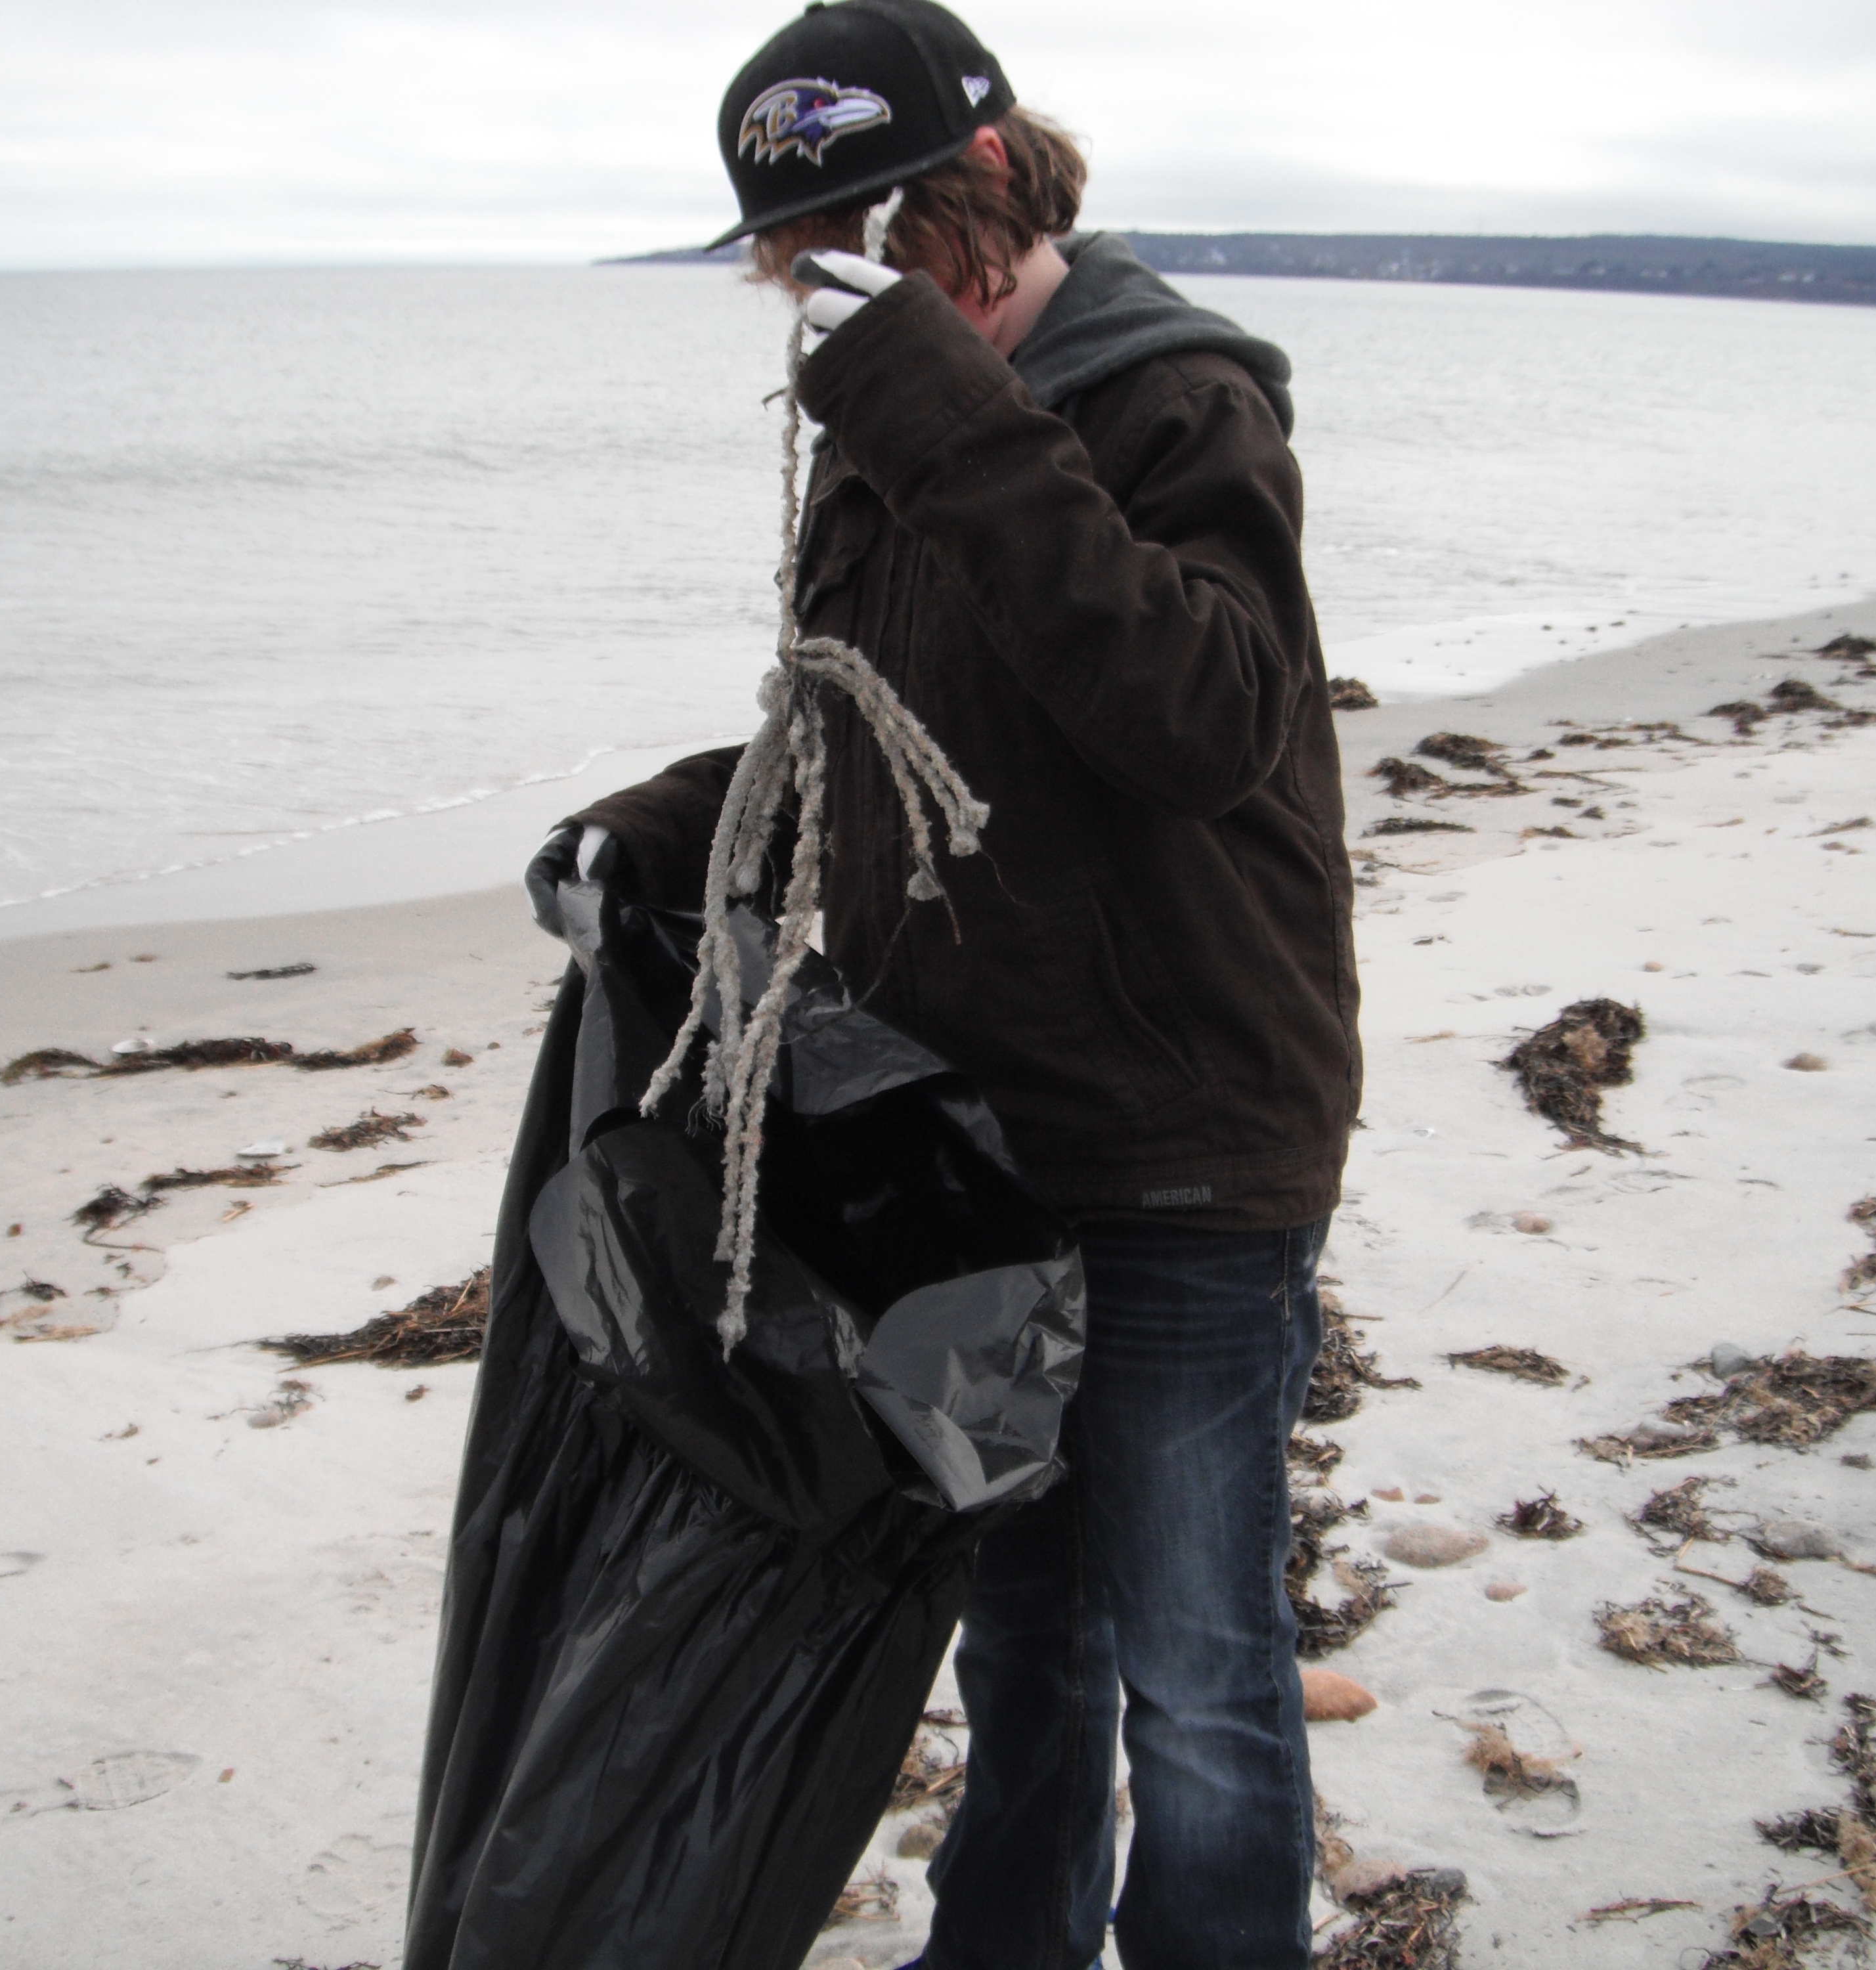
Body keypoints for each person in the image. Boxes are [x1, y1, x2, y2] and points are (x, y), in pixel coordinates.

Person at [525, 3, 1359, 1964]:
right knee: (1023, 1654)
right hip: (971, 1148)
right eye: (807, 272)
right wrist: (646, 832)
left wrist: (943, 415)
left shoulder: (1173, 402)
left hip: (1184, 1148)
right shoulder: (900, 443)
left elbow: (1205, 716)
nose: (844, 309)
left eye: (879, 252)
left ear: (984, 186)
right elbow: (866, 740)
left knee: (1203, 1679)